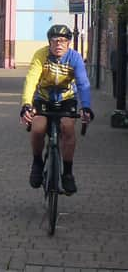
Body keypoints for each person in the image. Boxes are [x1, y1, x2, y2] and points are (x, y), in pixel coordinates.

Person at [20, 24, 94, 194]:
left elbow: (83, 84)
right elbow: (31, 79)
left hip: (66, 99)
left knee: (67, 127)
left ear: (68, 43)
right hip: (43, 98)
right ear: (49, 43)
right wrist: (26, 104)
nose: (58, 44)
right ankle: (37, 163)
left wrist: (86, 107)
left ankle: (67, 173)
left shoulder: (75, 57)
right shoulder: (41, 55)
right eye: (54, 41)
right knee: (38, 127)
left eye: (63, 41)